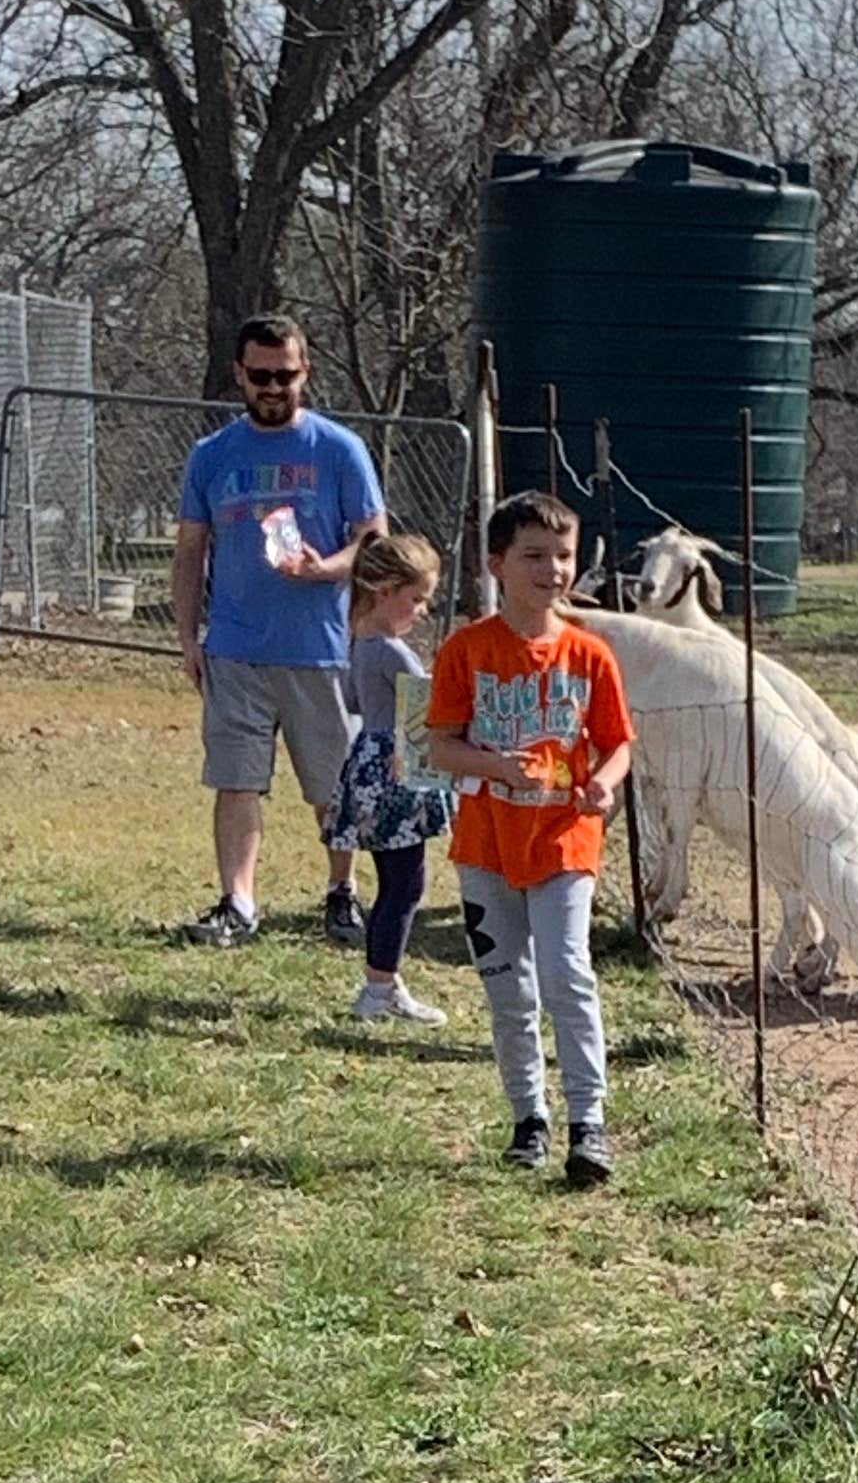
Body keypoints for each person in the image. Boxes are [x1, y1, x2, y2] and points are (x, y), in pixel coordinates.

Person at [422, 488, 631, 1189]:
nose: (553, 571)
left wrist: (605, 781)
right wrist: (493, 766)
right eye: (534, 556)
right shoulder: (467, 650)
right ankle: (528, 1118)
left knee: (566, 973)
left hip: (565, 839)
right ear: (497, 565)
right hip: (486, 842)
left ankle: (589, 1123)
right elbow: (440, 747)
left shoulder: (590, 655)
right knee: (507, 984)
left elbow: (617, 744)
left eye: (564, 556)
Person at [171, 314, 385, 947]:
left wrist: (328, 569)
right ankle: (238, 901)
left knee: (332, 785)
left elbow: (373, 542)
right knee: (237, 778)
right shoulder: (212, 456)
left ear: (305, 372)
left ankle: (341, 892)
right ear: (239, 374)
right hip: (235, 647)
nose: (273, 387)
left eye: (285, 376)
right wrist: (189, 636)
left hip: (319, 648)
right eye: (260, 376)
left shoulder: (338, 450)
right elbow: (190, 551)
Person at [329, 526, 451, 1025]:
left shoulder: (359, 643)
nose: (421, 611)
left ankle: (385, 979)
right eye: (417, 599)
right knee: (406, 885)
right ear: (385, 593)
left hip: (369, 768)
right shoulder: (394, 652)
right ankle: (379, 988)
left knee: (392, 881)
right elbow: (426, 710)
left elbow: (355, 701)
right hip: (398, 772)